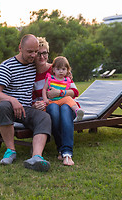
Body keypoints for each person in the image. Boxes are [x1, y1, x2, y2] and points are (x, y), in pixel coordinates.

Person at [0, 34, 52, 172]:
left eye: (36, 51)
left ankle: (36, 157)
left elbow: (50, 67)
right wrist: (13, 100)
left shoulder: (33, 65)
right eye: (30, 51)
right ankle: (11, 151)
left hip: (26, 109)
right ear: (20, 48)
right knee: (3, 105)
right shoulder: (7, 66)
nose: (34, 55)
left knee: (44, 117)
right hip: (7, 109)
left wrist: (67, 74)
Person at [32, 37, 80, 166]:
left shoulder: (58, 68)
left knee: (64, 109)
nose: (42, 57)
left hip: (67, 103)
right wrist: (35, 104)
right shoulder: (30, 74)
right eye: (38, 53)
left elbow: (74, 92)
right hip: (49, 106)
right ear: (33, 54)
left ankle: (67, 153)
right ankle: (61, 149)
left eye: (45, 53)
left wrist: (60, 93)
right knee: (54, 110)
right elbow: (29, 97)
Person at [42, 56, 84, 121]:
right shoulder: (50, 78)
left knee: (69, 99)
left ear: (67, 70)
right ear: (53, 69)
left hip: (63, 100)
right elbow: (44, 89)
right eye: (58, 69)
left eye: (63, 69)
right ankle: (43, 119)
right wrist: (45, 99)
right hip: (52, 101)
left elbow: (76, 92)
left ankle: (77, 111)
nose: (61, 71)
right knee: (43, 106)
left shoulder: (67, 80)